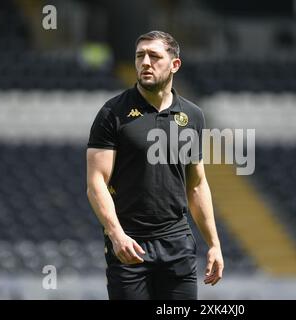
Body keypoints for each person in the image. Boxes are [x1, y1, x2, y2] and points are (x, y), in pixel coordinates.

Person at [86, 30, 224, 300]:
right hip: (130, 246)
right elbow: (95, 183)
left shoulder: (193, 116)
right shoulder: (111, 113)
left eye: (154, 56)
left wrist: (214, 244)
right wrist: (116, 235)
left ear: (174, 65)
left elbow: (196, 185)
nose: (145, 62)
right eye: (140, 56)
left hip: (178, 244)